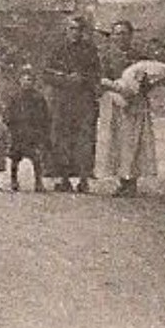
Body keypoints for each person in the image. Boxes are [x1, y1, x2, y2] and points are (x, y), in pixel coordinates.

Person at [95, 21, 160, 198]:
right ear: (113, 37)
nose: (121, 37)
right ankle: (121, 180)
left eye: (124, 33)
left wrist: (140, 86)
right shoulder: (106, 56)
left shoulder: (139, 56)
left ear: (131, 35)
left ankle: (132, 180)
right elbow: (100, 78)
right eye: (117, 34)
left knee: (134, 142)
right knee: (117, 141)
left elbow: (150, 78)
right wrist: (116, 87)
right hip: (116, 102)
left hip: (136, 105)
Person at [43, 13, 102, 193]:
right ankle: (64, 178)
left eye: (78, 29)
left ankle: (84, 179)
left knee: (84, 138)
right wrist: (63, 78)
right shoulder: (57, 49)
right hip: (62, 99)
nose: (75, 33)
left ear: (83, 31)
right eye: (71, 28)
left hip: (84, 99)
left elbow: (97, 74)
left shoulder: (90, 50)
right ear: (66, 30)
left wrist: (82, 78)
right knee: (62, 138)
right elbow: (46, 73)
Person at [5, 64, 51, 193]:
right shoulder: (14, 97)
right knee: (15, 159)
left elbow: (45, 115)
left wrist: (42, 130)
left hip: (32, 133)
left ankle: (38, 182)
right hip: (18, 133)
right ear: (19, 81)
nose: (26, 83)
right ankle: (14, 180)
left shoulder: (38, 98)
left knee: (36, 158)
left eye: (29, 80)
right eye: (24, 80)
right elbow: (8, 113)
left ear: (33, 82)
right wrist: (9, 125)